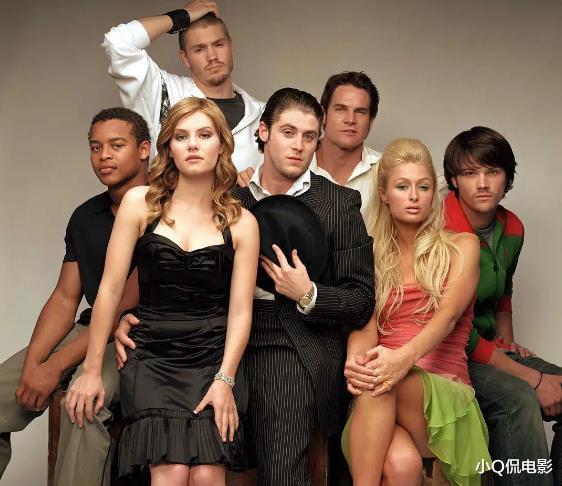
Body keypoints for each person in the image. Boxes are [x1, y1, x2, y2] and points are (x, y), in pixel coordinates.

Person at [116, 87, 375, 485]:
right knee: (180, 460)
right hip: (207, 341)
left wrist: (308, 293)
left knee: (278, 468)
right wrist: (130, 317)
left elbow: (361, 299)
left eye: (309, 137)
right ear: (263, 131)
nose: (299, 146)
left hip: (288, 341)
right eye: (288, 132)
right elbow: (170, 265)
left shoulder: (339, 204)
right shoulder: (225, 194)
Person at [65, 97, 259, 485]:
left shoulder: (242, 223)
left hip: (212, 359)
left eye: (204, 135)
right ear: (168, 147)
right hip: (152, 357)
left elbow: (241, 311)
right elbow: (109, 290)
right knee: (170, 475)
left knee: (206, 476)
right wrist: (91, 370)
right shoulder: (140, 204)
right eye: (181, 136)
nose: (192, 145)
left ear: (222, 144)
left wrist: (225, 380)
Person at [0, 107, 149, 485]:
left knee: (82, 405)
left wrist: (54, 368)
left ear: (144, 149)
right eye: (96, 147)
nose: (104, 156)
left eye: (117, 145)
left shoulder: (164, 210)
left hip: (134, 337)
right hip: (89, 327)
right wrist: (34, 363)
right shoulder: (86, 216)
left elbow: (122, 304)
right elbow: (65, 298)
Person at [342, 138, 491, 486]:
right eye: (402, 186)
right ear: (383, 193)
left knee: (379, 381)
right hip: (382, 388)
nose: (414, 196)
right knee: (402, 465)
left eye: (423, 187)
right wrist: (355, 363)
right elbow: (365, 324)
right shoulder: (369, 256)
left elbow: (448, 316)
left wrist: (400, 361)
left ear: (433, 193)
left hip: (443, 396)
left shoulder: (462, 246)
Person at [443, 126, 562, 486]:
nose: (482, 183)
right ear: (454, 180)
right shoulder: (439, 229)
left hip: (489, 350)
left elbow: (503, 288)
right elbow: (450, 327)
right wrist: (530, 376)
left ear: (507, 177)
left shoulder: (513, 228)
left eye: (492, 171)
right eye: (470, 173)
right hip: (451, 354)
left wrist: (507, 344)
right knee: (520, 399)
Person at [103, 0, 264, 170]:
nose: (212, 56)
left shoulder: (263, 115)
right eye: (199, 49)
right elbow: (119, 42)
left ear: (230, 46)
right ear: (185, 58)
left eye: (218, 45)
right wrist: (182, 16)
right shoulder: (164, 91)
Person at [238, 71, 382, 219]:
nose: (350, 120)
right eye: (340, 109)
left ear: (371, 121)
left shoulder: (386, 170)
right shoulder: (285, 163)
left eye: (360, 112)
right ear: (323, 115)